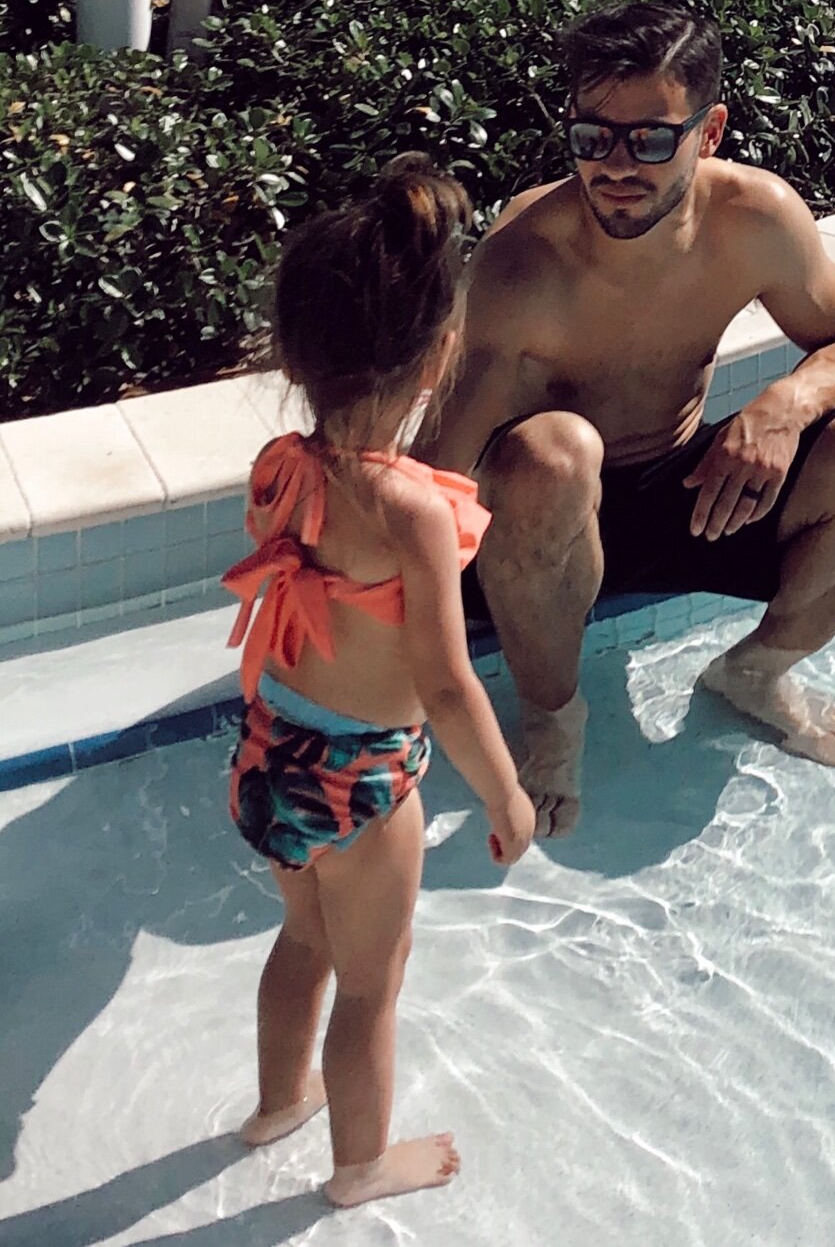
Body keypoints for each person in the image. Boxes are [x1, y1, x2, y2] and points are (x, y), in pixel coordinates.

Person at [431, 0, 835, 833]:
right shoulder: (524, 261)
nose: (616, 167)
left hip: (685, 493)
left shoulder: (754, 219)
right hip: (530, 526)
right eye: (593, 137)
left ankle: (755, 674)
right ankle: (552, 715)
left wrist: (784, 404)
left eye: (651, 139)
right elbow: (438, 474)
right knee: (557, 453)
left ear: (709, 131)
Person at [224, 157, 535, 1210]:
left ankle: (275, 1104)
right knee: (371, 986)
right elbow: (446, 685)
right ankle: (360, 1169)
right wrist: (502, 791)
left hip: (270, 755)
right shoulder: (414, 512)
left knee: (302, 940)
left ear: (295, 354)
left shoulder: (281, 466)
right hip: (362, 785)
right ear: (440, 355)